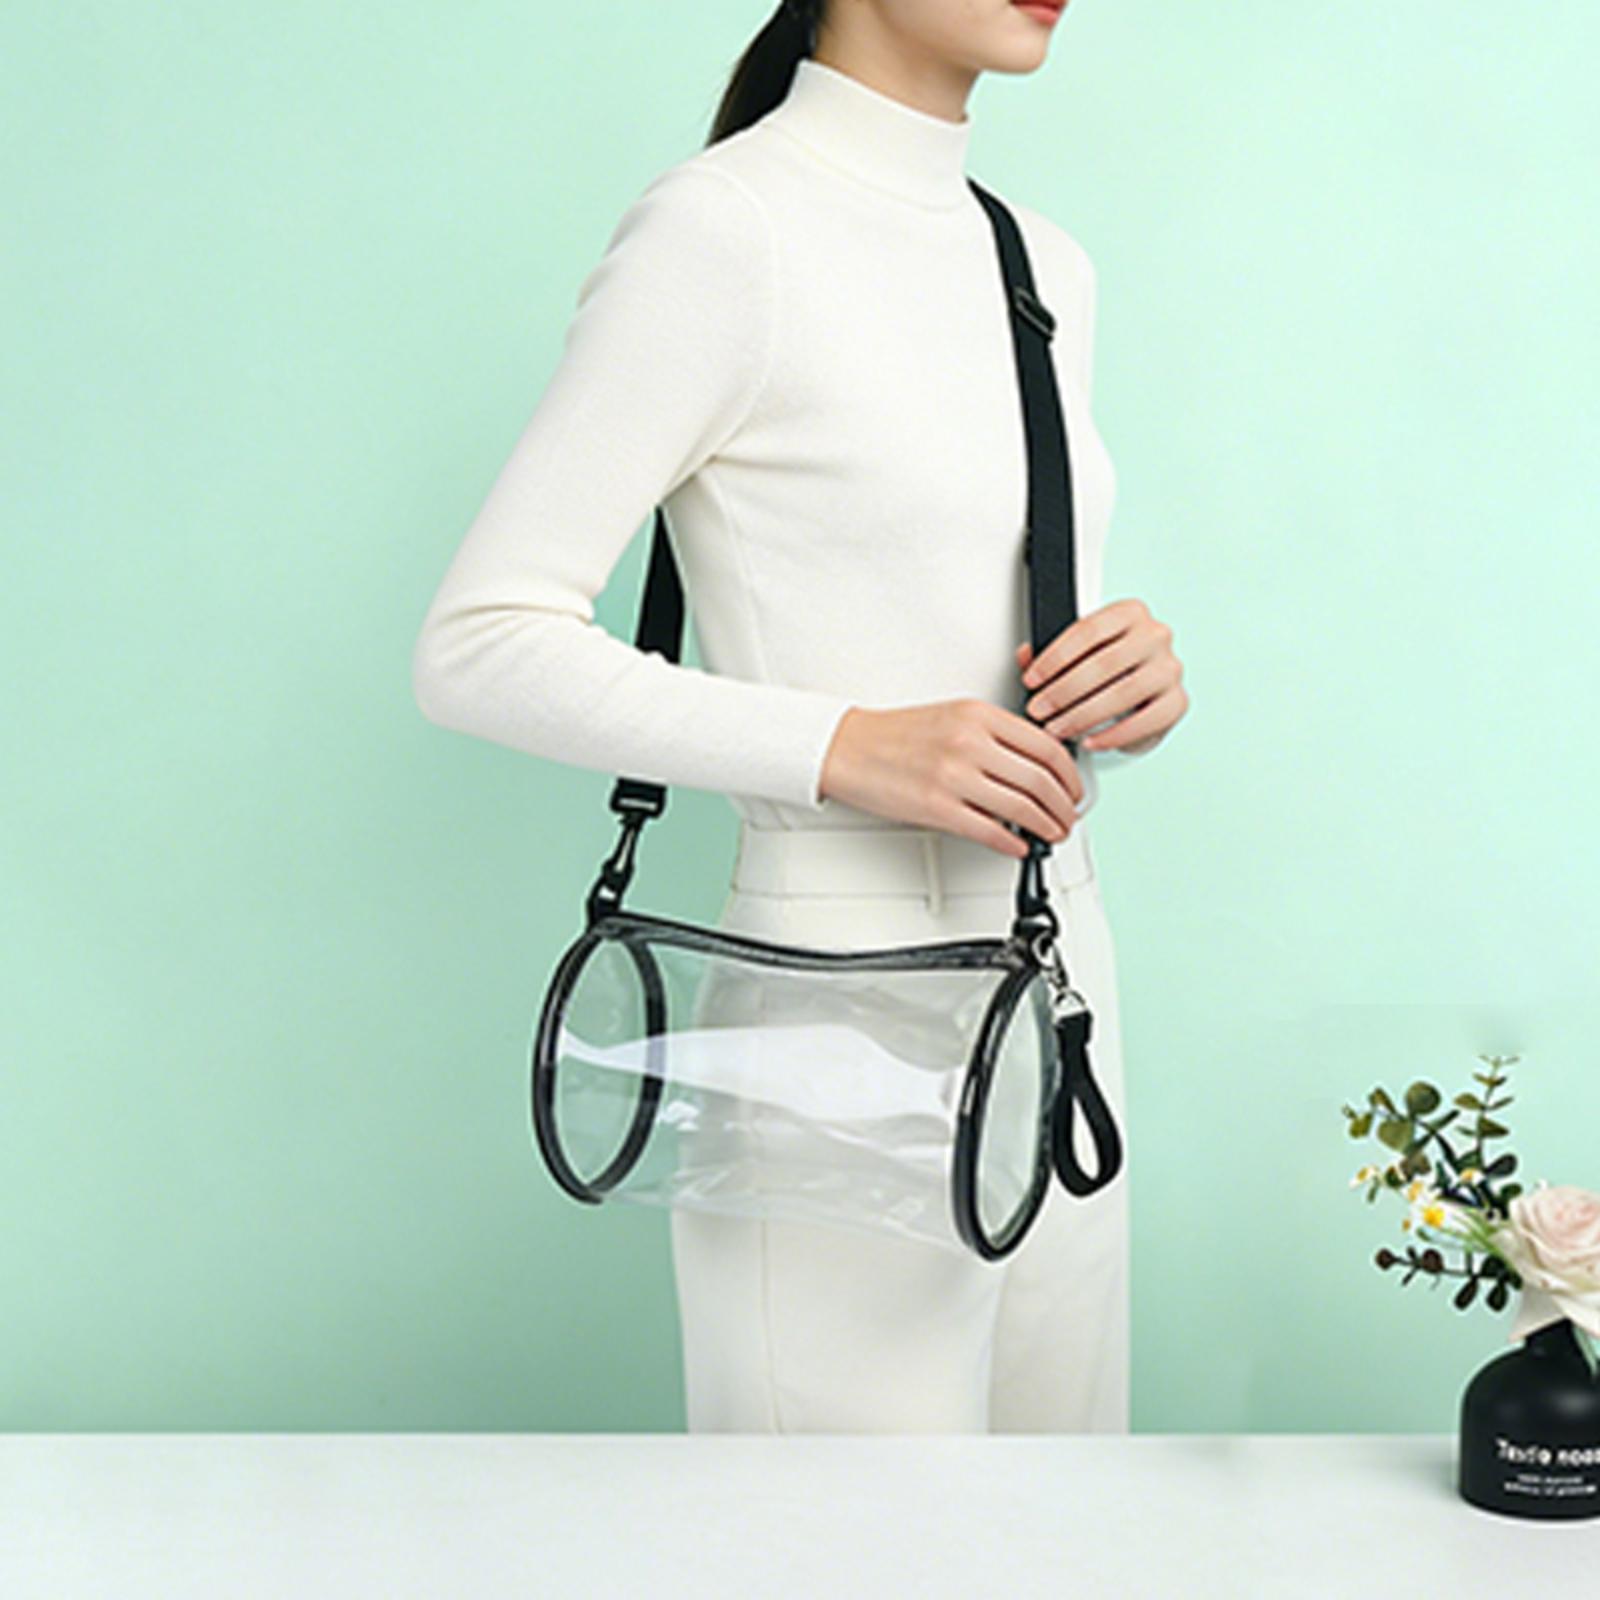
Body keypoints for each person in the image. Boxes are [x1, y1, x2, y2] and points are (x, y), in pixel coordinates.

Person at [411, 0, 1188, 1433]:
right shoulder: (726, 231)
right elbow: (478, 644)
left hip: (1057, 965)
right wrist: (841, 746)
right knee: (842, 1528)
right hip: (833, 990)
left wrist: (1121, 686)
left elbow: (950, 595)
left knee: (1070, 1507)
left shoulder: (1042, 264)